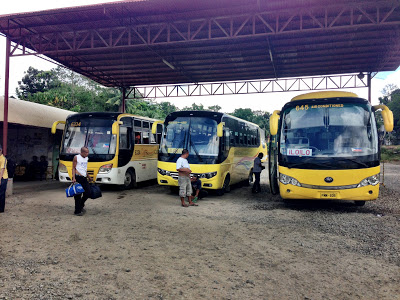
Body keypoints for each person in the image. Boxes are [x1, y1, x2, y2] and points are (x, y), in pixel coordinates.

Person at [72, 147, 92, 216]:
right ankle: (77, 211)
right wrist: (73, 178)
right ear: (82, 152)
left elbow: (84, 169)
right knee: (78, 195)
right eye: (86, 152)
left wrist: (89, 177)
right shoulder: (76, 157)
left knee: (88, 192)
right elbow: (73, 168)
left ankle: (81, 205)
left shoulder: (86, 158)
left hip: (84, 178)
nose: (87, 154)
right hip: (78, 177)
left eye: (88, 152)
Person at [0, 145, 8, 213]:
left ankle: (1, 209)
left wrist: (0, 179)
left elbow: (2, 169)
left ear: (1, 150)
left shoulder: (3, 159)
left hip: (3, 178)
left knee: (1, 194)